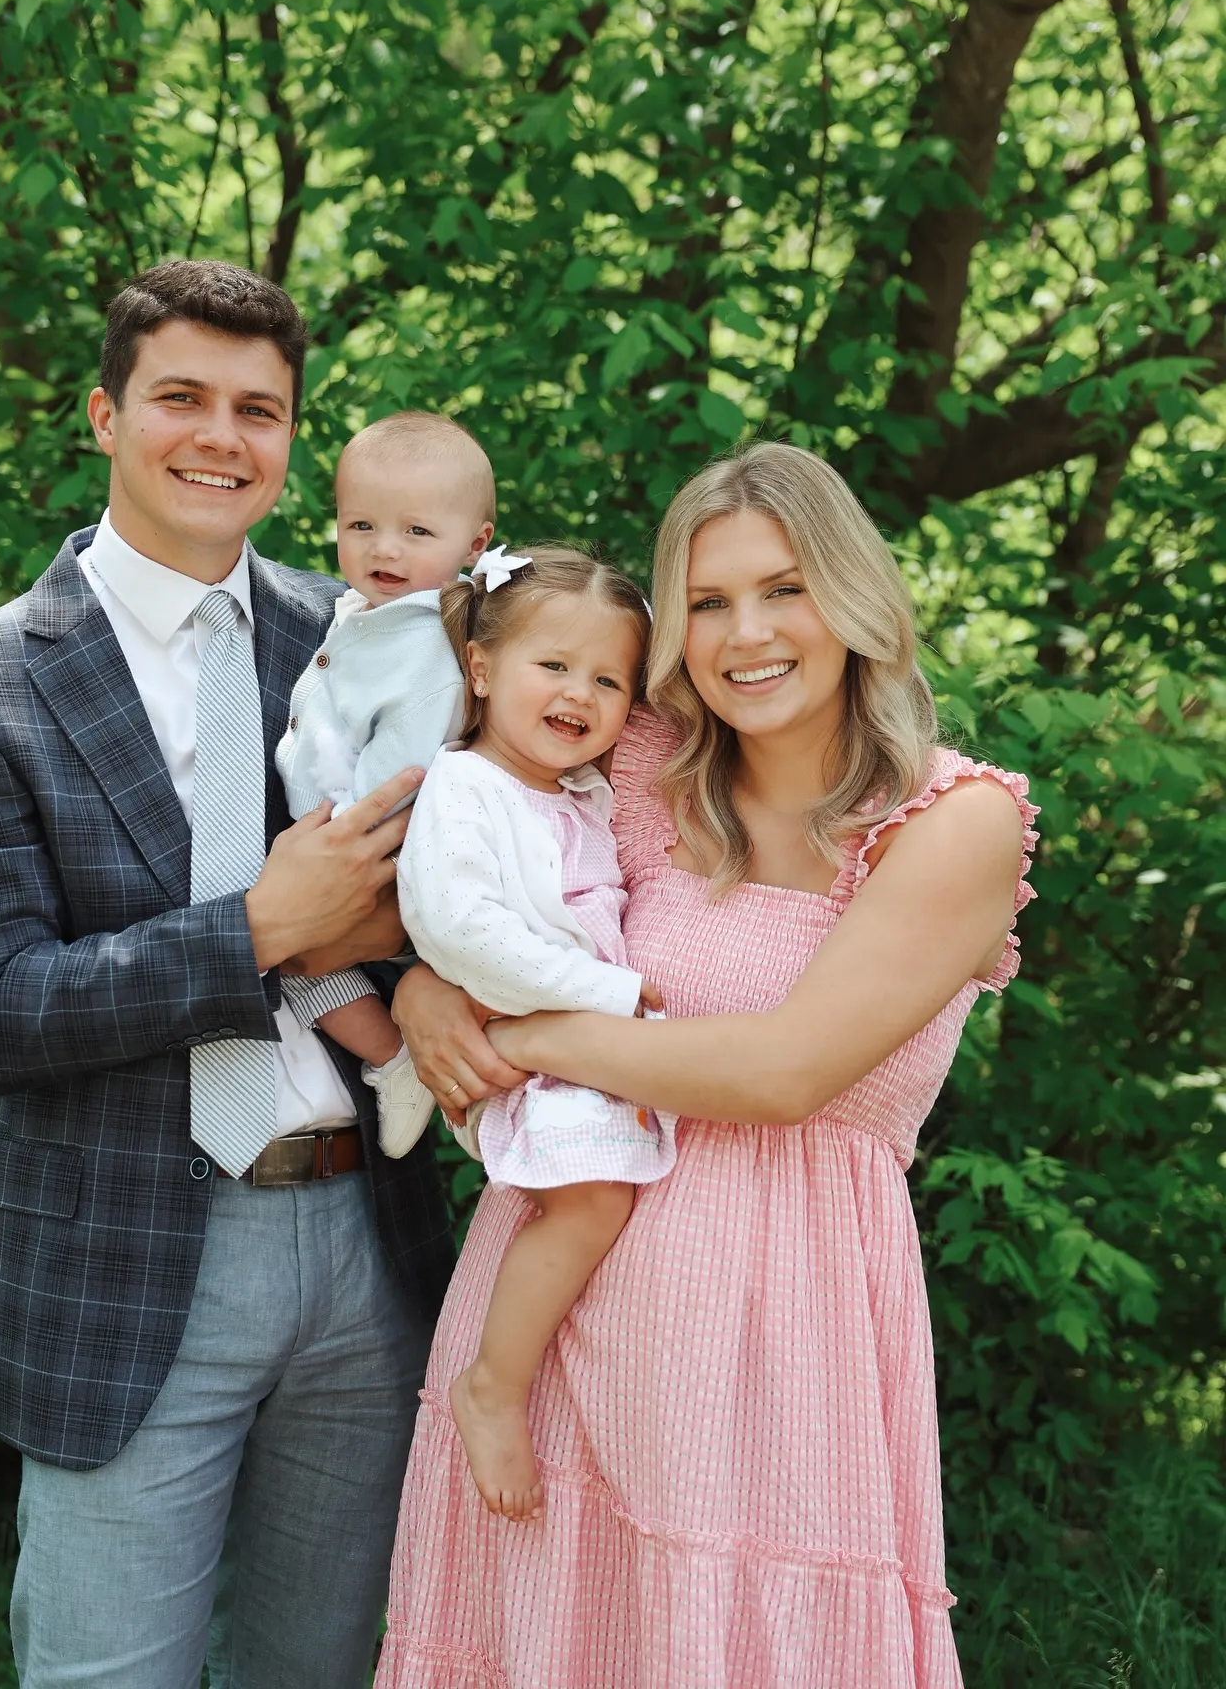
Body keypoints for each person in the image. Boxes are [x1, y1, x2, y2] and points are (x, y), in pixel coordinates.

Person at [379, 442, 1039, 1689]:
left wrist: (522, 1039)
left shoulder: (952, 823)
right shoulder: (634, 771)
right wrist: (420, 985)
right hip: (550, 1313)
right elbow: (455, 852)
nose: (749, 634)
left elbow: (784, 1072)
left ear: (854, 597)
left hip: (784, 1343)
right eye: (710, 601)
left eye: (785, 589)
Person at [0, 258, 456, 1689]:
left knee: (320, 1670)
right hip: (130, 1263)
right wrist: (255, 930)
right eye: (181, 398)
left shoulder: (367, 633)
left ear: (291, 441)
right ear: (105, 415)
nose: (220, 436)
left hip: (367, 1244)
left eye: (258, 410)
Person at [395, 547, 673, 1520]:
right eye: (552, 666)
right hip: (531, 1039)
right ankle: (493, 1385)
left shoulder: (584, 794)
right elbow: (459, 932)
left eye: (608, 680)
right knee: (590, 1204)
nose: (578, 694)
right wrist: (612, 996)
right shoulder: (465, 786)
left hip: (580, 1042)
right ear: (481, 668)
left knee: (612, 1209)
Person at [275, 410, 495, 1156]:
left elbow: (406, 766)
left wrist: (340, 844)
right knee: (279, 956)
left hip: (370, 850)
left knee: (286, 955)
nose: (385, 548)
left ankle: (397, 1061)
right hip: (336, 843)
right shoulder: (366, 614)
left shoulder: (428, 647)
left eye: (417, 531)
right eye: (361, 525)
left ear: (476, 544)